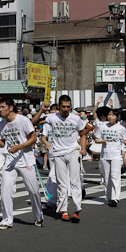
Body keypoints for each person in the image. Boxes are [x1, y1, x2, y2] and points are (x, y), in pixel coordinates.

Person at [0, 97, 44, 228]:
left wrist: (20, 146)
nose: (0, 110)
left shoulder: (23, 120)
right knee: (5, 190)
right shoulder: (1, 124)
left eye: (3, 107)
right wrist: (0, 143)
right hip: (10, 161)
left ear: (10, 108)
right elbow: (3, 141)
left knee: (33, 191)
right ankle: (7, 220)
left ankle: (38, 216)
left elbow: (33, 138)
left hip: (26, 160)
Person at [40, 95, 88, 223]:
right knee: (62, 183)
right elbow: (33, 123)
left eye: (68, 107)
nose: (66, 109)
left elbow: (83, 133)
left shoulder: (75, 119)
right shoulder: (52, 117)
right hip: (58, 153)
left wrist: (83, 147)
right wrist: (41, 111)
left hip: (73, 151)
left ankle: (77, 209)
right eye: (64, 107)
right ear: (59, 107)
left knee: (75, 180)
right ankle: (64, 210)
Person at [96, 109, 126, 207]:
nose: (110, 117)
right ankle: (109, 197)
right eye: (109, 115)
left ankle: (116, 198)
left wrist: (125, 144)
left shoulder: (121, 128)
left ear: (117, 117)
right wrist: (102, 141)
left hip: (116, 155)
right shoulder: (102, 127)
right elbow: (97, 139)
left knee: (115, 176)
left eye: (112, 115)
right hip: (105, 155)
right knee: (107, 177)